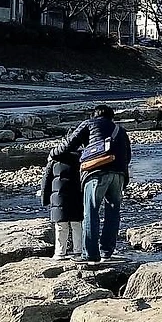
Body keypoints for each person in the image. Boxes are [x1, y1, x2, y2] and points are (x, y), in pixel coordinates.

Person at [51, 104, 132, 263]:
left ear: (94, 115)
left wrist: (53, 153)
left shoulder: (88, 124)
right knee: (113, 214)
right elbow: (127, 156)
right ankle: (107, 253)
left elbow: (69, 144)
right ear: (111, 117)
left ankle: (90, 254)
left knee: (91, 213)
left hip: (96, 173)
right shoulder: (120, 130)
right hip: (119, 175)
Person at [39, 150, 83, 259]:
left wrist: (45, 200)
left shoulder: (54, 159)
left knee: (61, 226)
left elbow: (45, 181)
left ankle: (59, 253)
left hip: (58, 197)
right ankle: (78, 251)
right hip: (76, 196)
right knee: (76, 224)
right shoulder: (80, 158)